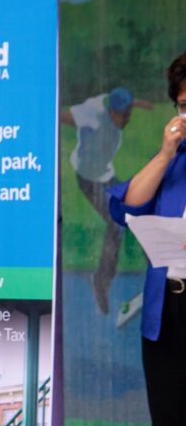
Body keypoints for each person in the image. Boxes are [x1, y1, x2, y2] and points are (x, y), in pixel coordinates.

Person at [108, 52, 186, 426]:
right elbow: (127, 207)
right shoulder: (173, 160)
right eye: (185, 105)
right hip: (169, 309)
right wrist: (165, 153)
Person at [60, 87, 154, 313]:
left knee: (136, 213)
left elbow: (129, 99)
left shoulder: (117, 103)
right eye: (122, 115)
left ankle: (154, 271)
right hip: (88, 178)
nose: (125, 119)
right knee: (116, 223)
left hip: (106, 175)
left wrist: (143, 104)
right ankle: (101, 281)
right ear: (111, 111)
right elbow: (61, 117)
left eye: (128, 114)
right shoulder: (92, 112)